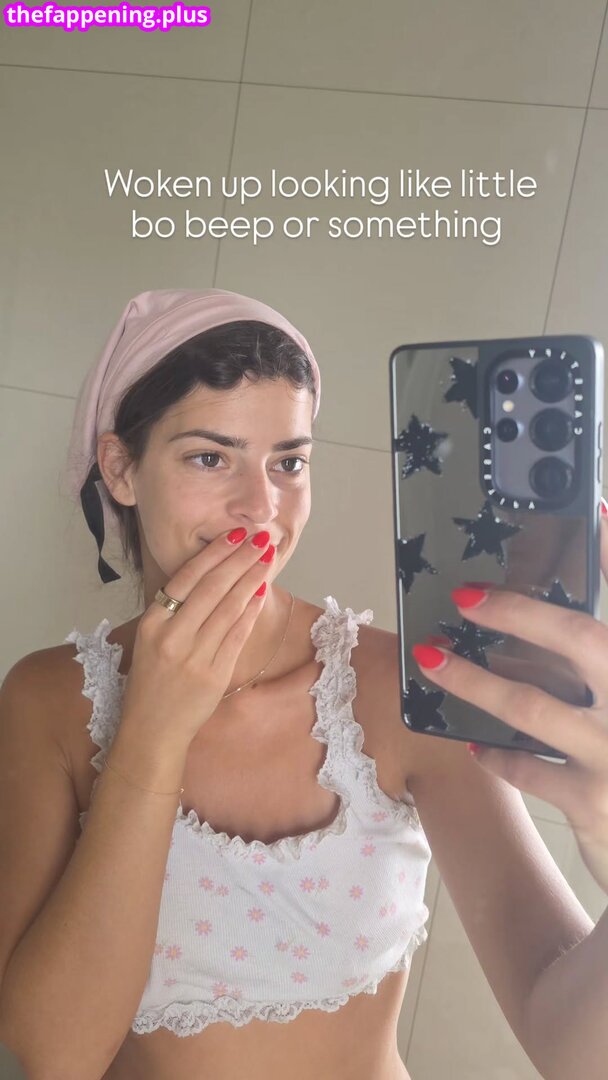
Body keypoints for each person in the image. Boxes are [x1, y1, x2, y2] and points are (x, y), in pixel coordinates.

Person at [0, 288, 606, 1080]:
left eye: (288, 462)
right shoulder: (47, 702)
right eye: (210, 457)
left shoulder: (403, 689)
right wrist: (152, 730)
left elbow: (572, 1050)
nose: (262, 508)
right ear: (120, 469)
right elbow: (57, 1055)